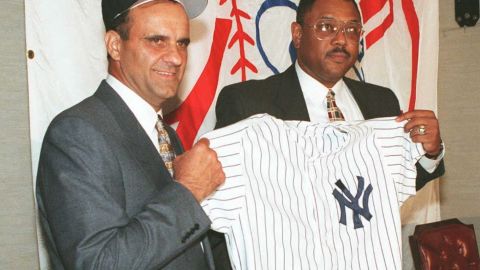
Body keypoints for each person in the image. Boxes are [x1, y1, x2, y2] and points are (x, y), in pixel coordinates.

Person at [212, 0, 445, 268]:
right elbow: (222, 208)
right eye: (326, 27)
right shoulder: (248, 103)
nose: (341, 40)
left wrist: (431, 152)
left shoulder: (381, 102)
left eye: (352, 30)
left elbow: (384, 187)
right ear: (298, 34)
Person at [36, 0, 225, 269]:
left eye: (182, 42)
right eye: (157, 40)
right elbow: (99, 263)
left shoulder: (166, 135)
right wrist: (190, 189)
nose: (176, 57)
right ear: (115, 45)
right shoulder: (77, 133)